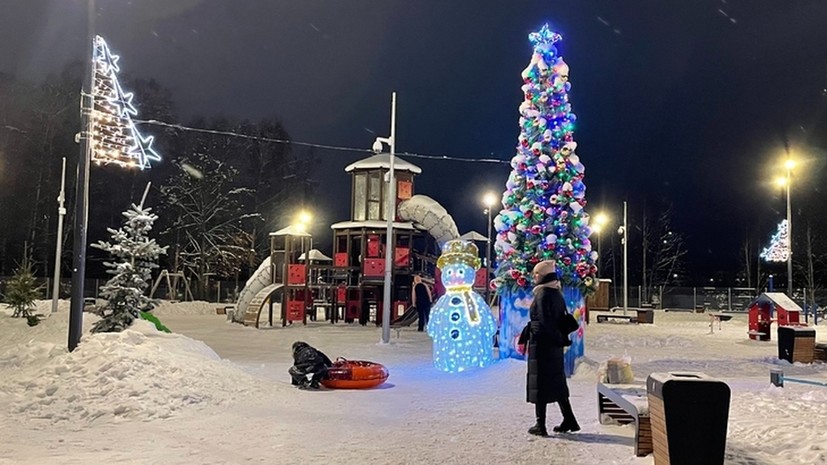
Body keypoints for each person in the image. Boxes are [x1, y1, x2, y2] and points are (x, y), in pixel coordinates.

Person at [524, 260, 580, 436]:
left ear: (542, 276)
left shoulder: (542, 294)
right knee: (556, 382)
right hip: (555, 345)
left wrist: (534, 331)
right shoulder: (557, 293)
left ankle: (540, 425)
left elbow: (543, 321)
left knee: (540, 383)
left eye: (537, 274)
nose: (534, 277)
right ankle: (569, 419)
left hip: (542, 345)